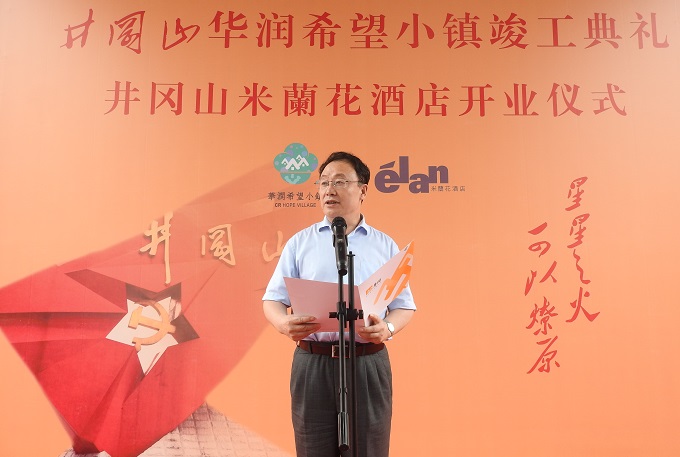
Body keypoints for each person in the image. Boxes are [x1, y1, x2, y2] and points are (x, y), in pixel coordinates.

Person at [262, 151, 416, 457]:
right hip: (313, 362)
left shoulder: (384, 244)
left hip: (366, 362)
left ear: (362, 190)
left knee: (369, 448)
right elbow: (273, 299)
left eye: (340, 182)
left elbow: (404, 306)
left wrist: (387, 328)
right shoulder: (300, 243)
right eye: (324, 183)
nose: (329, 190)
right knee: (312, 448)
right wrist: (282, 323)